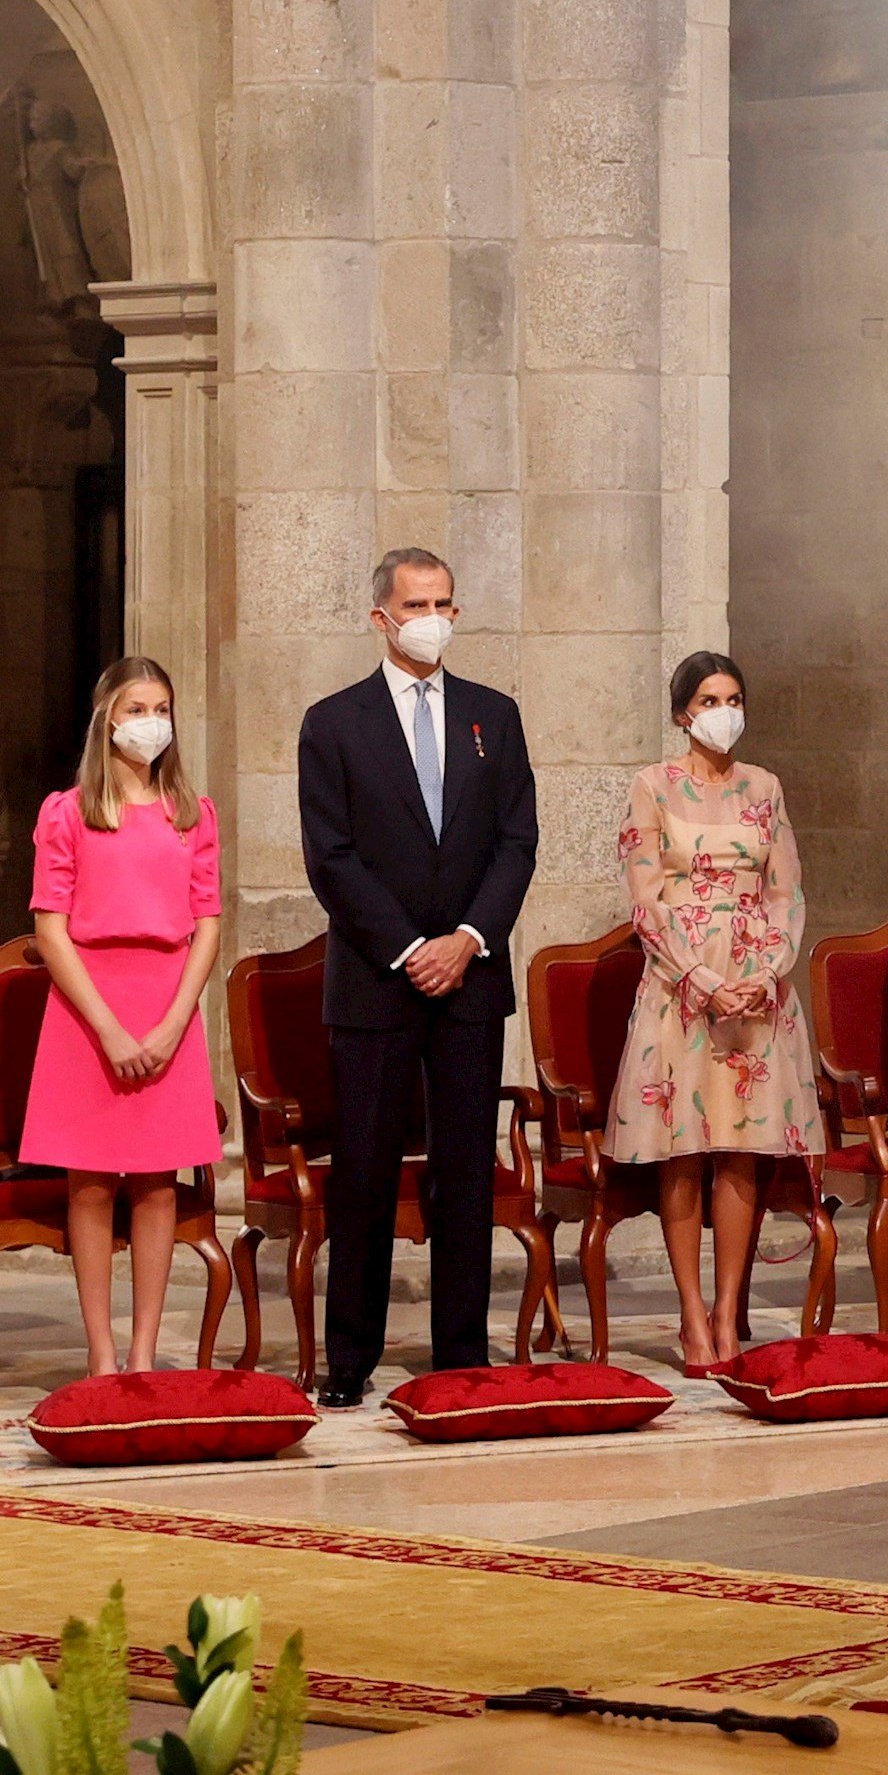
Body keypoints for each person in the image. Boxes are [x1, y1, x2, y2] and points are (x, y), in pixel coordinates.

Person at [296, 548, 538, 1406]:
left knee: (465, 1168)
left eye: (444, 602)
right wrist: (410, 947)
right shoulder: (333, 723)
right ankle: (351, 1360)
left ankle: (461, 1351)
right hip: (376, 977)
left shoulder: (493, 717)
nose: (433, 617)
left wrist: (467, 937)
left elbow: (517, 843)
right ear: (381, 618)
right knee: (364, 1168)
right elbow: (331, 857)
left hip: (470, 977)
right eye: (417, 604)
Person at [607, 653, 822, 1375]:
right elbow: (645, 899)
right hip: (681, 987)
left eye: (733, 697)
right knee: (686, 1149)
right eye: (708, 699)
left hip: (757, 987)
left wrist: (765, 973)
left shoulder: (765, 787)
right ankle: (692, 1317)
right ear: (682, 714)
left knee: (741, 1148)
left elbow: (786, 891)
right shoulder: (652, 787)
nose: (722, 711)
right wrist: (700, 977)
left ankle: (732, 1312)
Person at [20, 659, 223, 1376]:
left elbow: (206, 923)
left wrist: (172, 1023)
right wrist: (107, 1026)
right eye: (137, 707)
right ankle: (102, 1357)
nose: (151, 722)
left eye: (161, 707)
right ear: (109, 718)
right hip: (87, 1009)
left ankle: (143, 1357)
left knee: (158, 1181)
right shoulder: (68, 811)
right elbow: (51, 928)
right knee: (93, 1181)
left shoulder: (193, 813)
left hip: (167, 1006)